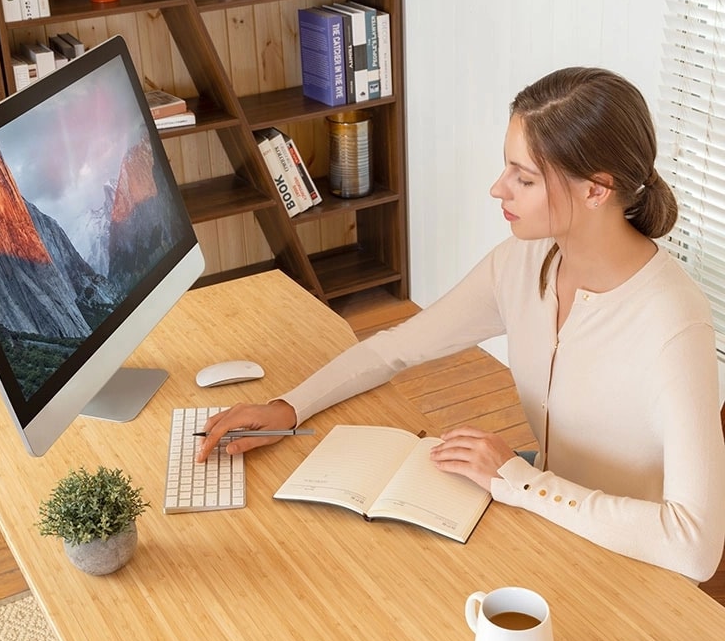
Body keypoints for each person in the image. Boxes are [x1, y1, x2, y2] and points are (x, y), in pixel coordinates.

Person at [199, 67, 725, 582]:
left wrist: (519, 480)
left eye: (524, 177)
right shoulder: (523, 263)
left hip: (632, 568)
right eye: (506, 169)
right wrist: (286, 408)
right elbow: (396, 348)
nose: (499, 189)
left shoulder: (673, 322)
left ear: (596, 190)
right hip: (542, 518)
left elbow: (695, 546)